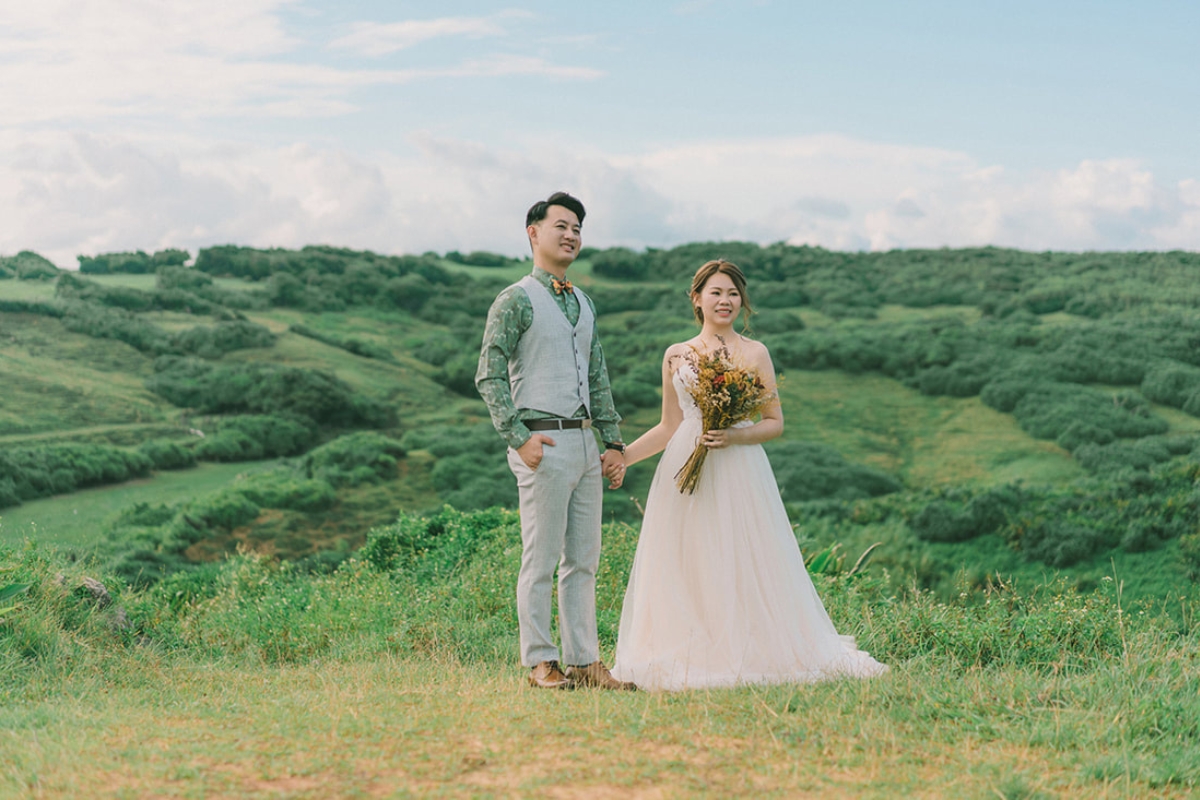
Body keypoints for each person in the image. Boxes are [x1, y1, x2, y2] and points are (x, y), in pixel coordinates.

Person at [607, 259, 888, 691]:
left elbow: (774, 422)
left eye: (734, 294)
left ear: (742, 302)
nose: (725, 301)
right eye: (716, 292)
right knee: (687, 559)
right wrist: (625, 456)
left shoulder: (755, 353)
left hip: (738, 468)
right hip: (683, 470)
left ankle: (744, 646)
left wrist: (734, 436)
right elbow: (669, 426)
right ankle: (688, 644)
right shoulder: (676, 354)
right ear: (696, 299)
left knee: (738, 555)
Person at [476, 191, 634, 691]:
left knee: (583, 561)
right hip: (541, 443)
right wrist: (518, 437)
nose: (571, 235)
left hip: (586, 443)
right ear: (534, 233)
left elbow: (599, 375)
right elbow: (489, 374)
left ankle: (586, 662)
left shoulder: (584, 301)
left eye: (578, 229)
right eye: (561, 226)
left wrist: (612, 443)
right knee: (540, 560)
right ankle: (541, 661)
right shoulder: (515, 299)